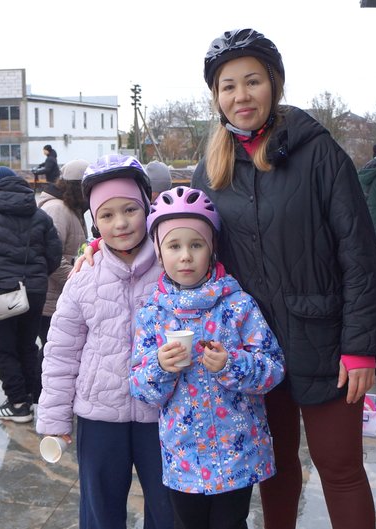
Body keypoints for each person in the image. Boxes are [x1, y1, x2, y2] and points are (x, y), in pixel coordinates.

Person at [191, 29, 376, 529]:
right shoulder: (210, 169)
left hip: (325, 341)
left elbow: (360, 254)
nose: (241, 95)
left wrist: (361, 347)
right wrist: (100, 248)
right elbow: (180, 242)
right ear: (216, 96)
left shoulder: (319, 154)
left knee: (340, 468)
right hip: (253, 349)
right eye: (228, 86)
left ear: (273, 85)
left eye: (252, 81)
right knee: (274, 472)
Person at [131, 185, 285, 529]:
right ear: (159, 253)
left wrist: (232, 365)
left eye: (196, 245)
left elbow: (273, 368)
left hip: (238, 454)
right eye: (174, 246)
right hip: (183, 455)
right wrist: (161, 367)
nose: (185, 256)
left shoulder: (238, 305)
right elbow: (140, 387)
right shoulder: (152, 314)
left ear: (212, 248)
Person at [35, 154, 173, 529]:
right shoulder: (85, 277)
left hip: (162, 413)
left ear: (147, 208)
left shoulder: (172, 268)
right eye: (107, 215)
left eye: (130, 209)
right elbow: (61, 353)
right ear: (95, 221)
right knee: (100, 511)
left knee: (169, 510)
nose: (120, 223)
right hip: (99, 415)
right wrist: (54, 418)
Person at [0, 166, 62, 421]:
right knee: (27, 346)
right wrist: (36, 277)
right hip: (36, 291)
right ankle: (29, 396)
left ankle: (18, 403)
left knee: (3, 349)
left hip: (2, 293)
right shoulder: (40, 216)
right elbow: (54, 254)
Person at [35, 160, 88, 401]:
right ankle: (39, 396)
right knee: (52, 353)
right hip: (51, 300)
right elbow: (50, 257)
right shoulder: (57, 210)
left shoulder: (72, 208)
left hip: (63, 296)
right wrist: (78, 280)